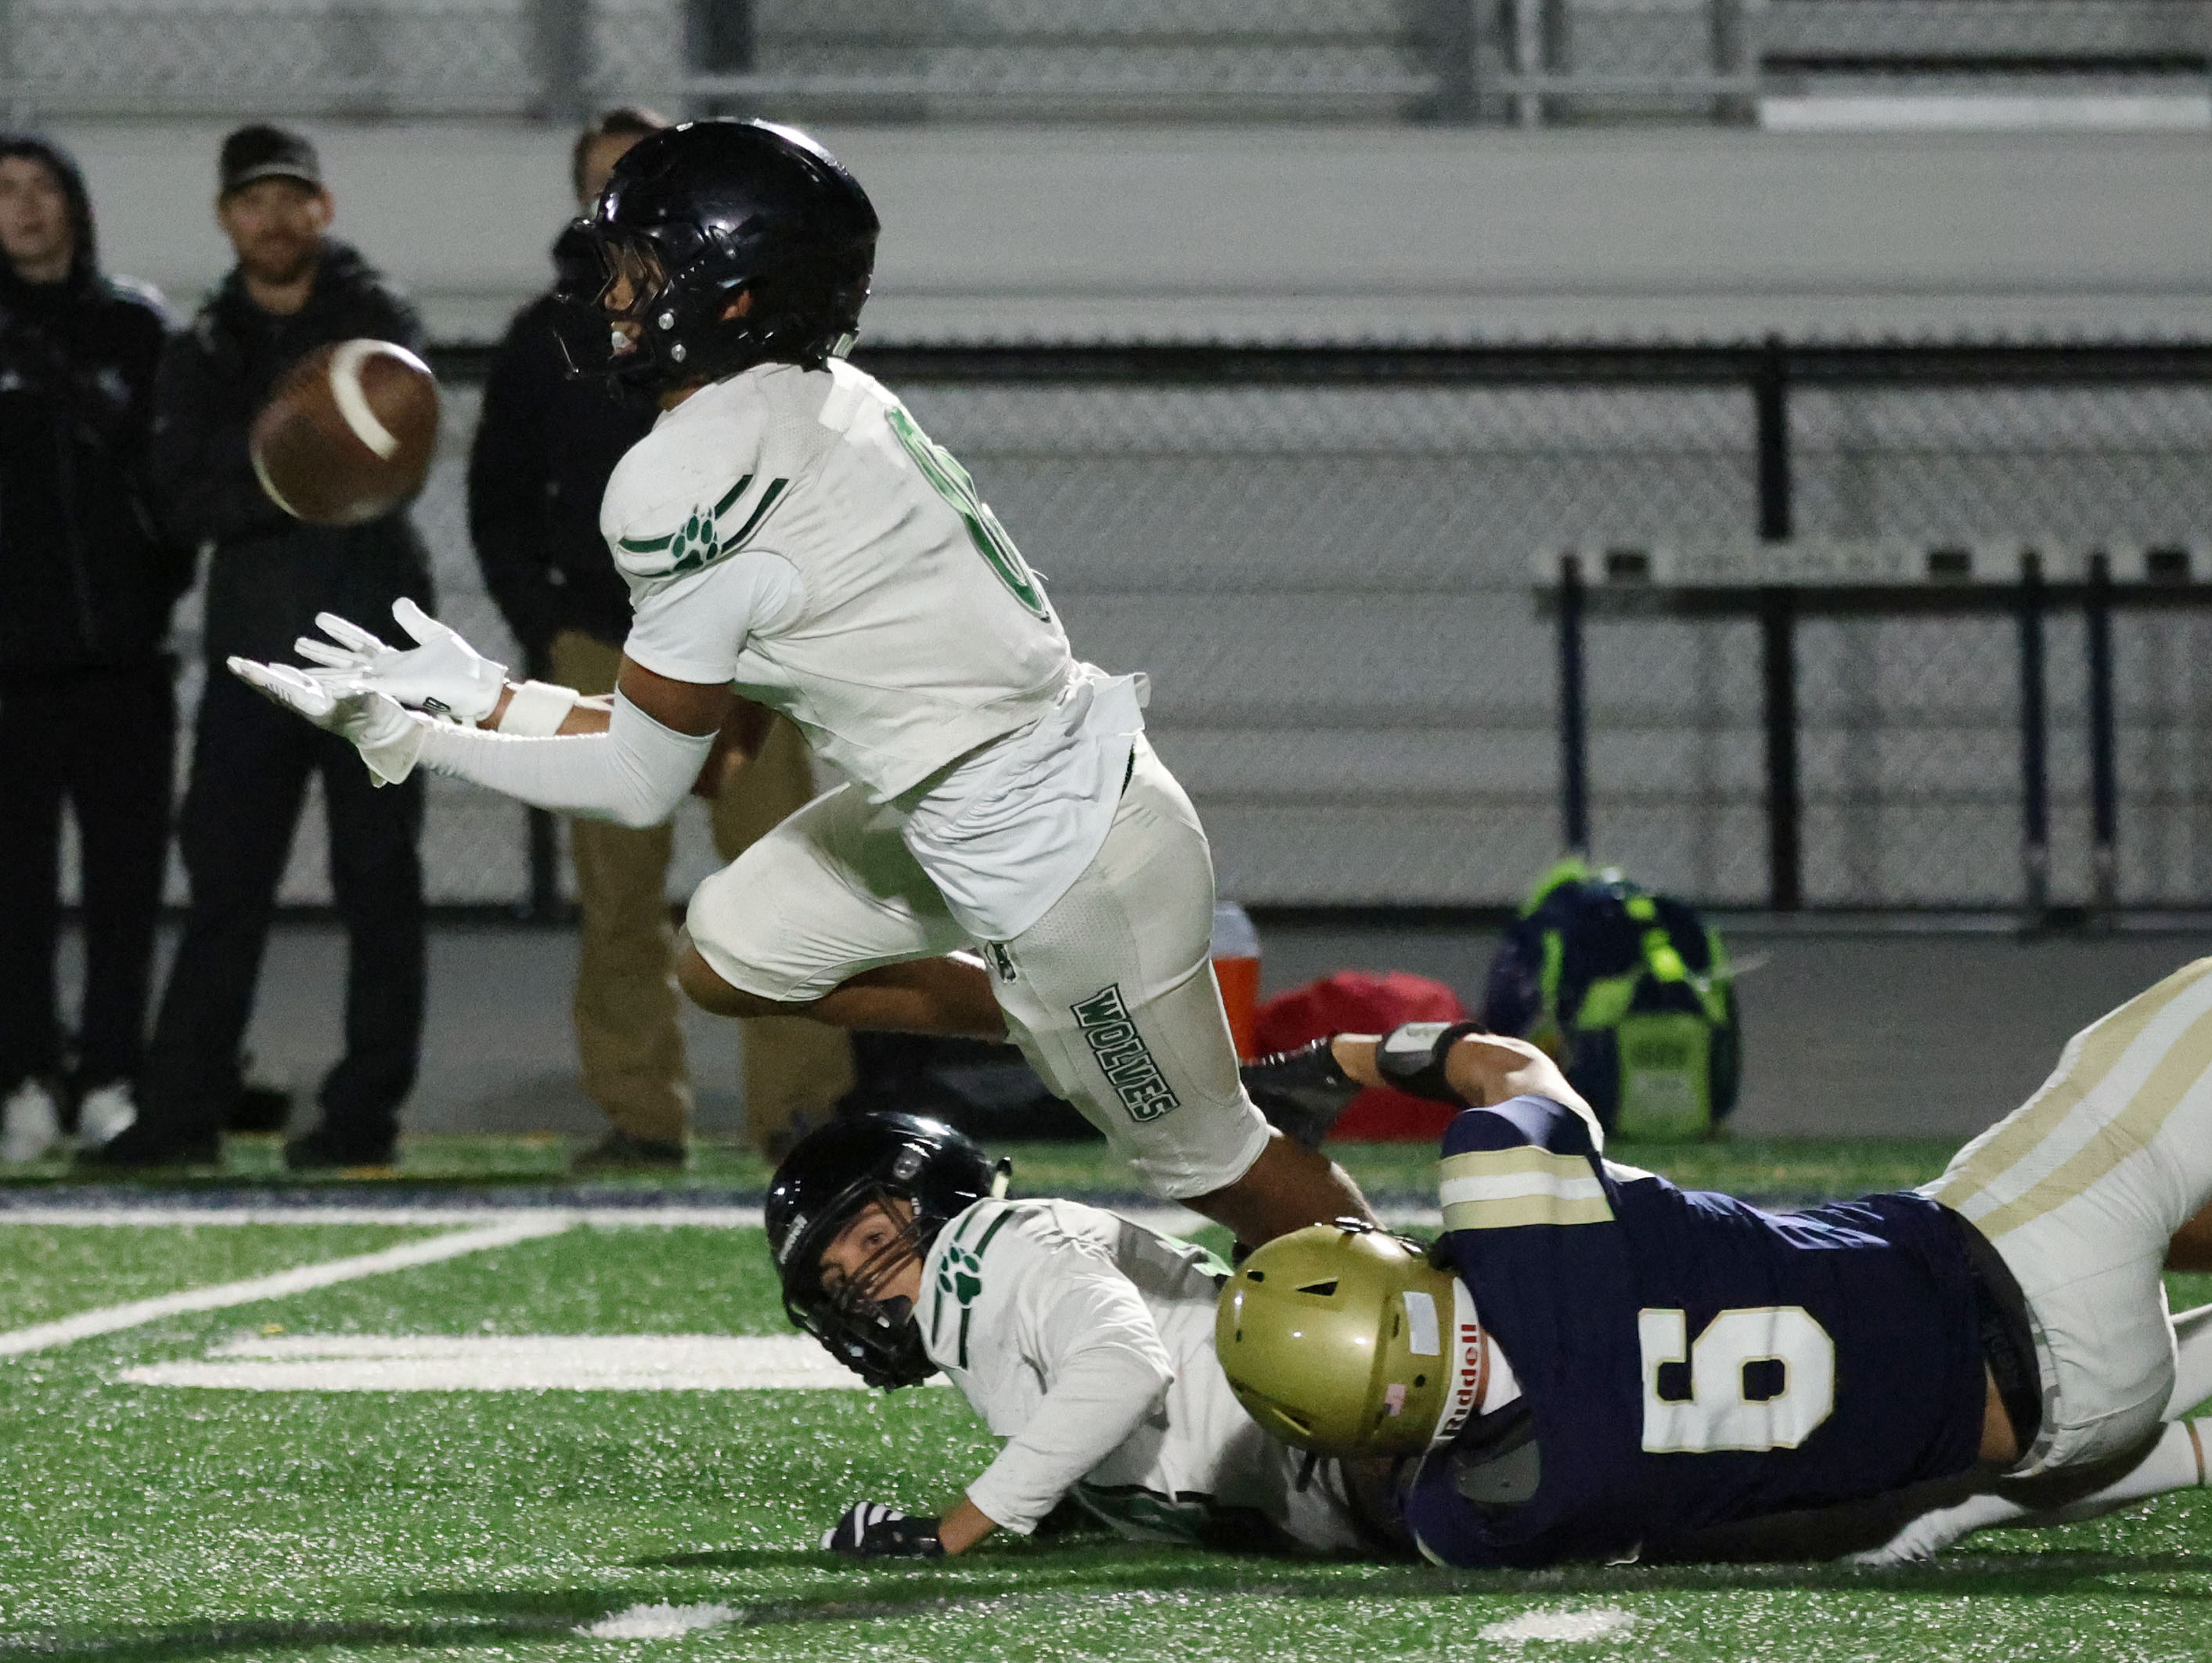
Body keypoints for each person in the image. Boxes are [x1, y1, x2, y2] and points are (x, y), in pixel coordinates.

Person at [226, 119, 1366, 1246]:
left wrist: (414, 740)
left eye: (643, 269)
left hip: (1064, 858)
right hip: (972, 796)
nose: (615, 295)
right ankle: (1054, 1019)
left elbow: (639, 782)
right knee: (732, 952)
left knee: (1222, 1172)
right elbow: (693, 741)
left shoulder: (686, 475)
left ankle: (1442, 1330)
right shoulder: (828, 397)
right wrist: (484, 695)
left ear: (731, 296)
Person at [1218, 925, 2212, 1567]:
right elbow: (1503, 1065)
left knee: (2163, 1205)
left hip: (2059, 1433)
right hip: (2012, 1255)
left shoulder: (1481, 1518)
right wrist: (1348, 1060)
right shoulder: (1511, 1210)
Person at [468, 106, 852, 1171]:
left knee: (789, 874)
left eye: (642, 175)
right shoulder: (547, 336)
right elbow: (498, 497)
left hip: (748, 653)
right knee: (619, 903)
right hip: (608, 645)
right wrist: (550, 631)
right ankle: (641, 1116)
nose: (623, 200)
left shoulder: (748, 317)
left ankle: (800, 1114)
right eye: (606, 181)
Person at [86, 125, 431, 1171]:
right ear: (225, 217)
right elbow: (180, 498)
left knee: (379, 885)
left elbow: (391, 456)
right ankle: (180, 1112)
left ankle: (363, 1116)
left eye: (291, 199)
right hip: (254, 655)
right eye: (253, 202)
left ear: (322, 208)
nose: (273, 220)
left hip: (377, 650)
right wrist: (302, 468)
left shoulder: (376, 317)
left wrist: (269, 464)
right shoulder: (202, 344)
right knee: (224, 889)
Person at [766, 1112, 1374, 1560]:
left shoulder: (982, 1249)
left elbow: (1125, 1370)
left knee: (1426, 1498)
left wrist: (948, 1533)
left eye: (874, 1239)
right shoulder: (986, 1306)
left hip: (1356, 1436)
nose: (865, 1283)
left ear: (935, 1197)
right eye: (838, 1280)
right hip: (1335, 1455)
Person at [0, 135, 186, 1163]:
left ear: (74, 205)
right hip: (8, 677)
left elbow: (173, 480)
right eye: (5, 192)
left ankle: (112, 1075)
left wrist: (146, 593)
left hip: (122, 664)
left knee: (125, 888)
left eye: (43, 188)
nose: (26, 208)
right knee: (14, 894)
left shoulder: (134, 327)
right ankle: (25, 1079)